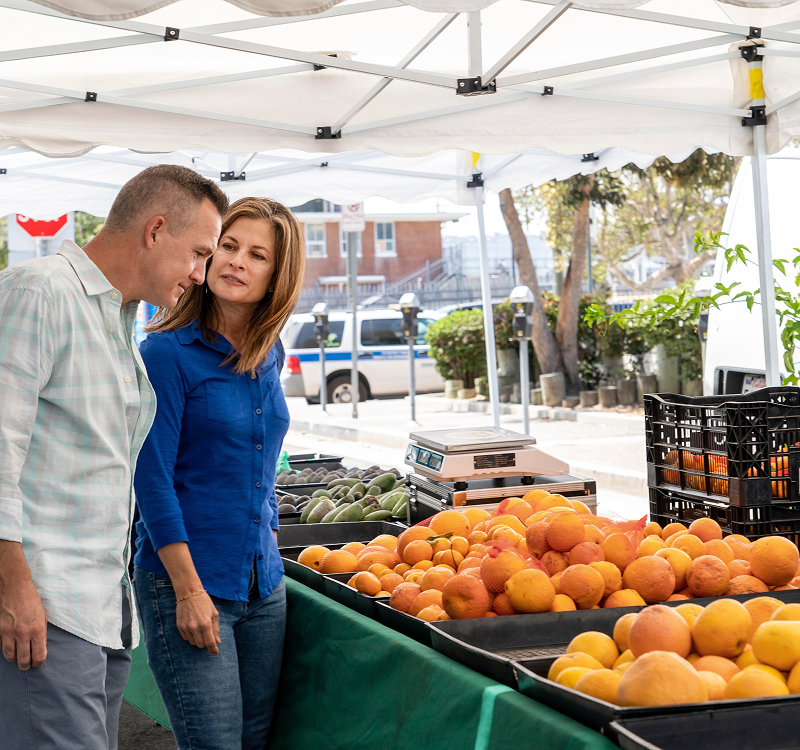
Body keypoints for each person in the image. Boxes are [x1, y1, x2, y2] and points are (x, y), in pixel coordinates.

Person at [0, 165, 229, 750]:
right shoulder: (41, 291)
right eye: (199, 253)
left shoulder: (118, 318)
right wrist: (14, 589)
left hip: (102, 611)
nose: (202, 275)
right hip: (46, 610)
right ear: (155, 230)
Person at [133, 196, 305, 749]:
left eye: (257, 255)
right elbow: (151, 478)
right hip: (188, 584)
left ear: (277, 275)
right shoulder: (165, 353)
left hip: (263, 586)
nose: (236, 261)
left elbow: (262, 458)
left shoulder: (269, 351)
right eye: (229, 246)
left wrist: (270, 538)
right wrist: (187, 591)